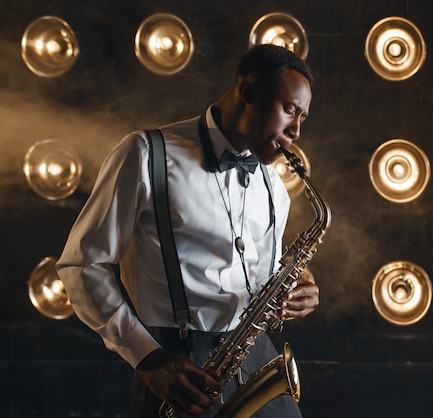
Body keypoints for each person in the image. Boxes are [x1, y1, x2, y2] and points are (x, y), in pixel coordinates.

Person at [56, 44, 318, 418]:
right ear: (247, 92)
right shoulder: (145, 154)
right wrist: (147, 358)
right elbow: (81, 266)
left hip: (257, 358)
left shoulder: (275, 186)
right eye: (290, 110)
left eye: (303, 118)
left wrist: (298, 287)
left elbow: (264, 279)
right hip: (180, 367)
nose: (295, 130)